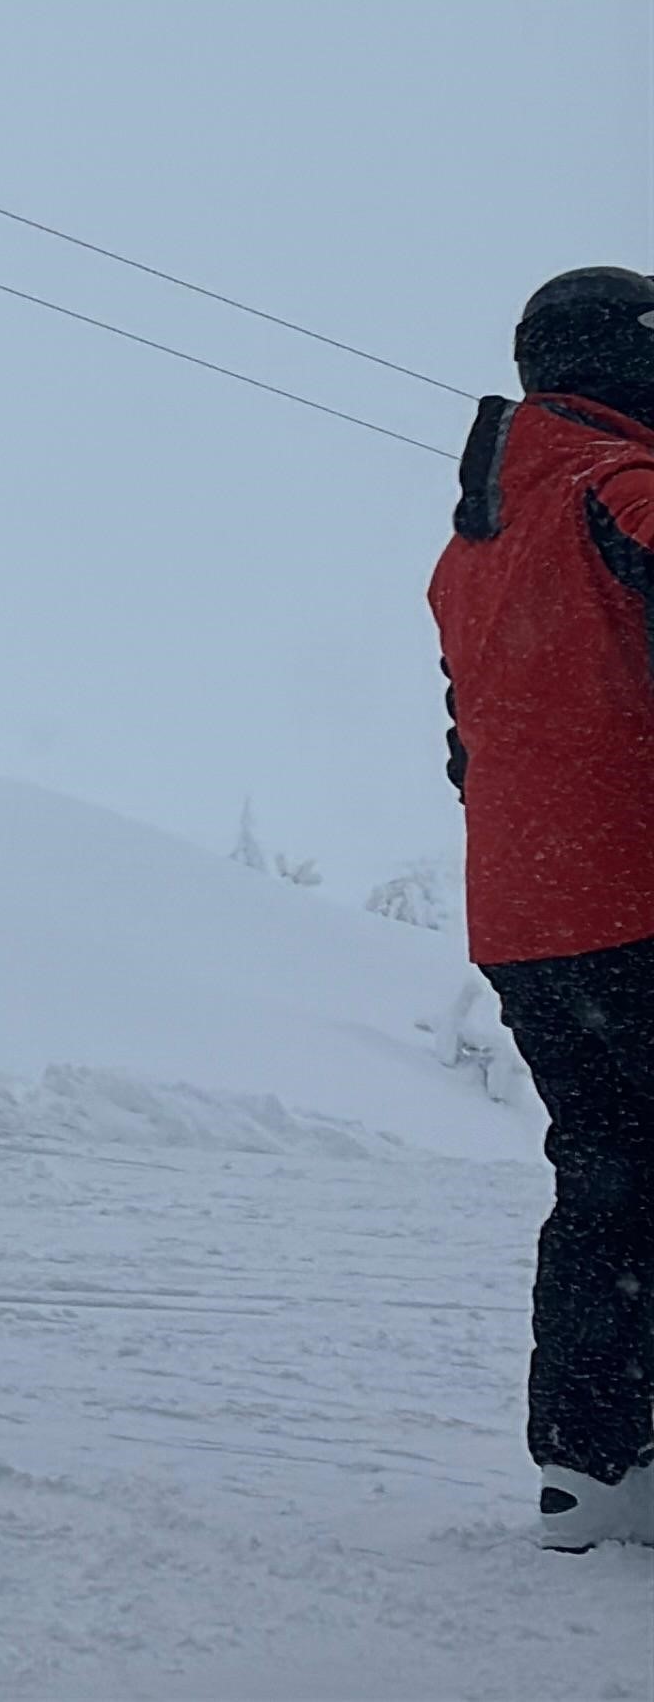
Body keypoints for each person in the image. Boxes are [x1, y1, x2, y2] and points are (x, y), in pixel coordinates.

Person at [431, 264, 654, 1552]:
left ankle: (590, 1459)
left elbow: (468, 743)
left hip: (530, 923)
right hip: (635, 892)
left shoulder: (473, 546)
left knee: (608, 1176)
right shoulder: (618, 491)